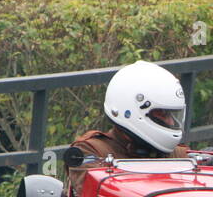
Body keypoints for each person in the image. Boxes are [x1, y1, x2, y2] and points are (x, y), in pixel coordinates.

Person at [69, 60, 189, 190]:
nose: (171, 122)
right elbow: (96, 191)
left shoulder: (178, 155)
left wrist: (212, 159)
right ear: (130, 110)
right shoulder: (90, 150)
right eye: (162, 113)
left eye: (172, 115)